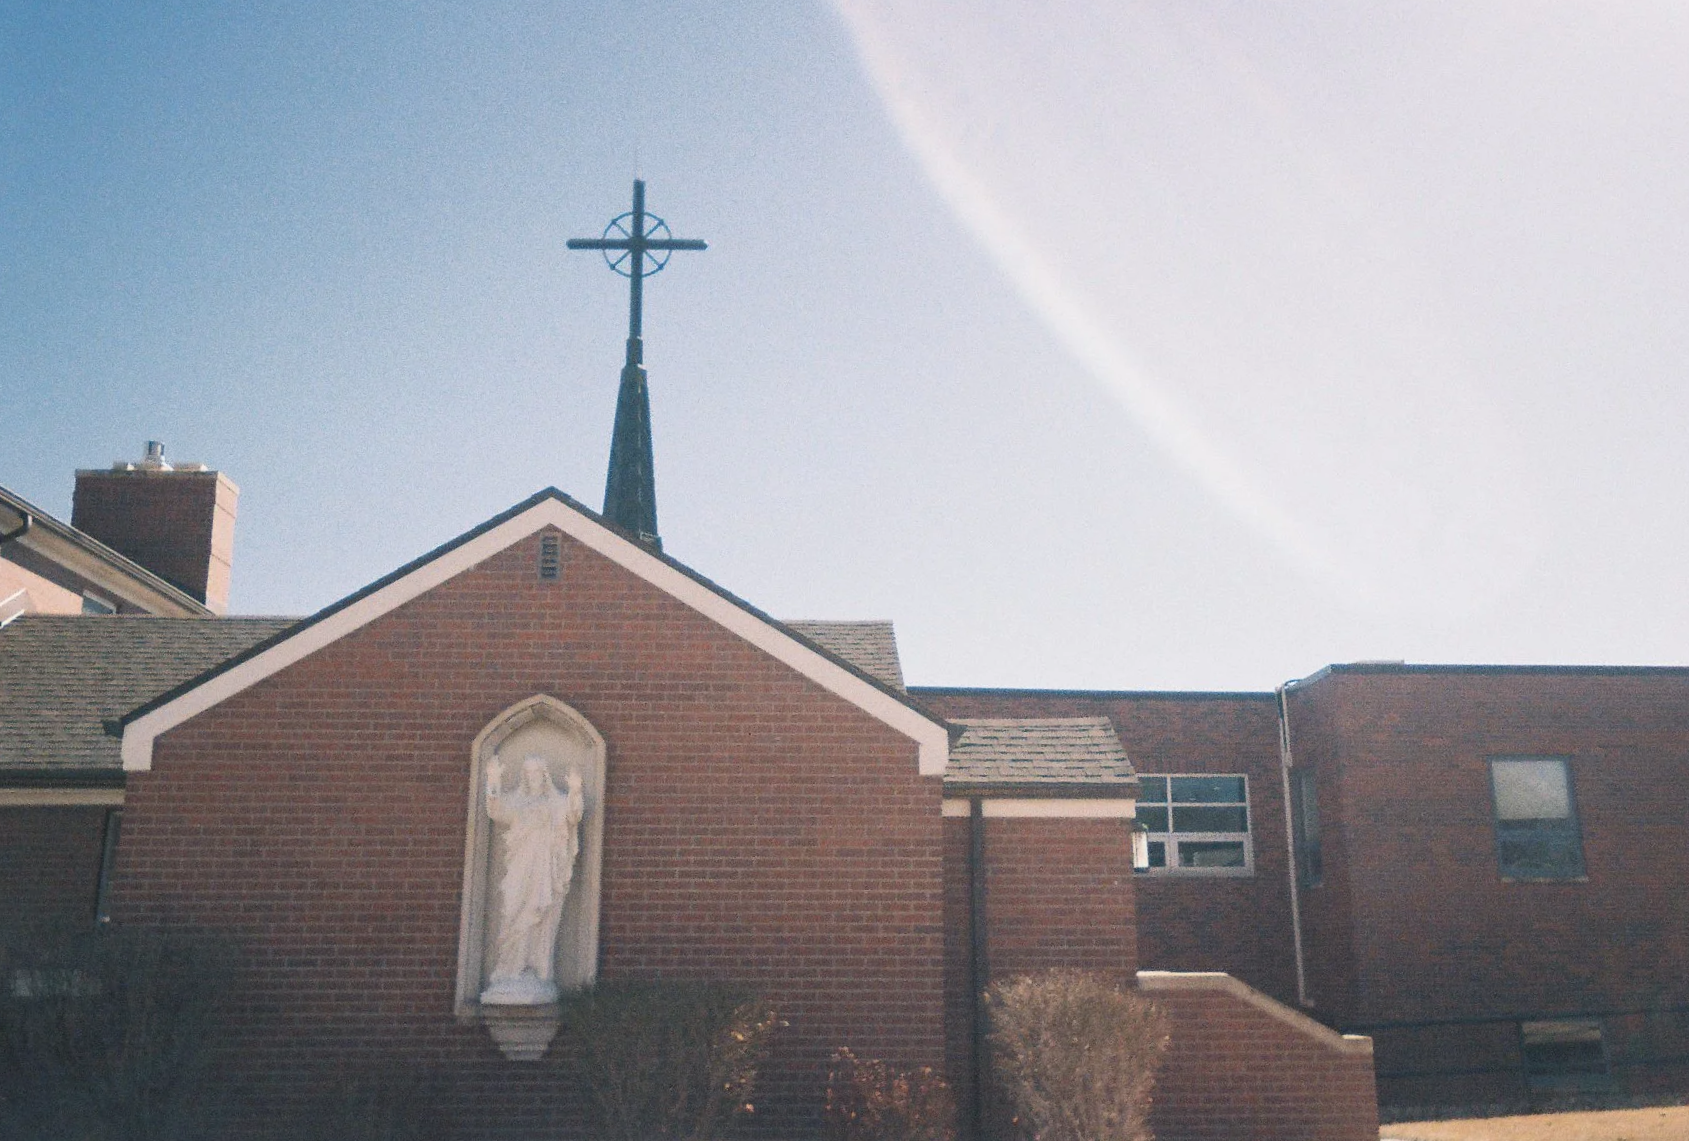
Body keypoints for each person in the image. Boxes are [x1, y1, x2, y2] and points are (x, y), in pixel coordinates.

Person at [480, 754, 584, 1004]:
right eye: (528, 772)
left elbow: (573, 815)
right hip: (519, 867)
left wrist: (575, 790)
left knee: (540, 916)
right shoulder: (517, 801)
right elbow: (495, 810)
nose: (532, 776)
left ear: (544, 775)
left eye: (537, 772)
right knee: (512, 910)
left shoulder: (555, 802)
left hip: (543, 871)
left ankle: (536, 971)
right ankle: (509, 969)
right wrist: (493, 779)